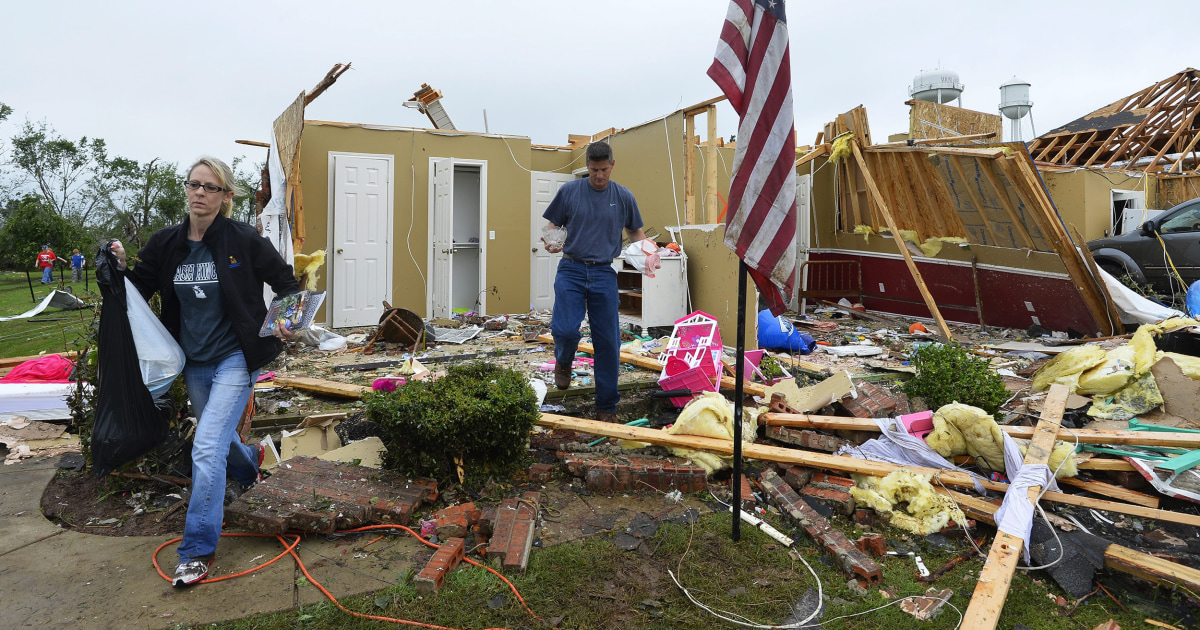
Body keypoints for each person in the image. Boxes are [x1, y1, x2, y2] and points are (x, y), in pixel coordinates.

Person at [111, 156, 300, 588]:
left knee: (206, 446)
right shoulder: (167, 243)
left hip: (236, 355)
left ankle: (196, 551)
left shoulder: (243, 239)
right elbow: (138, 290)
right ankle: (250, 463)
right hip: (192, 359)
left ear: (225, 196)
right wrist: (121, 267)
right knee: (219, 438)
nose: (199, 192)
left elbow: (288, 283)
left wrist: (286, 321)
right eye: (193, 184)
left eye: (209, 187)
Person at [541, 141, 644, 422]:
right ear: (587, 166)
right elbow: (553, 225)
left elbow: (636, 232)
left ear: (612, 165)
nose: (599, 175)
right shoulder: (570, 192)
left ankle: (607, 406)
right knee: (564, 329)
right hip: (571, 269)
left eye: (604, 170)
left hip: (603, 273)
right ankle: (563, 361)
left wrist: (650, 252)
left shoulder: (623, 196)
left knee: (608, 341)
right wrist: (552, 240)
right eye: (594, 170)